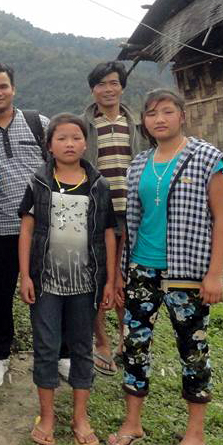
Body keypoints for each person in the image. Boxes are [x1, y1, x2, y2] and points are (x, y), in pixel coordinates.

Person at [107, 90, 223, 445]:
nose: (159, 119)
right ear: (144, 121)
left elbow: (222, 219)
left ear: (182, 115)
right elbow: (133, 222)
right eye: (151, 113)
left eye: (167, 111)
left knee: (193, 350)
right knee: (134, 345)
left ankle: (195, 434)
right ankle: (133, 423)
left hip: (187, 272)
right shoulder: (139, 164)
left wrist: (215, 274)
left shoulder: (207, 158)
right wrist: (122, 272)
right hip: (142, 268)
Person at [17, 114, 117, 445]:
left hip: (86, 284)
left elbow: (108, 233)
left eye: (76, 137)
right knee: (46, 348)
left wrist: (109, 281)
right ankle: (46, 417)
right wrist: (25, 275)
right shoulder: (39, 182)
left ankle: (80, 417)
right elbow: (27, 230)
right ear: (49, 145)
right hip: (46, 282)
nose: (69, 144)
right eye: (61, 138)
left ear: (86, 143)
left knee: (81, 348)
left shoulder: (99, 185)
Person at [0, 62, 49, 388]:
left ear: (13, 88)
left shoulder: (39, 124)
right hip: (0, 227)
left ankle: (58, 352)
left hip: (44, 227)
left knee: (48, 293)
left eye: (3, 86)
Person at [78, 61, 146, 377]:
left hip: (132, 214)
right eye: (101, 84)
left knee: (127, 279)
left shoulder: (137, 126)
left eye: (114, 83)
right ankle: (101, 342)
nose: (108, 89)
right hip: (96, 215)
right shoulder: (84, 125)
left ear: (122, 87)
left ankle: (124, 340)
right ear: (93, 90)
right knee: (97, 278)